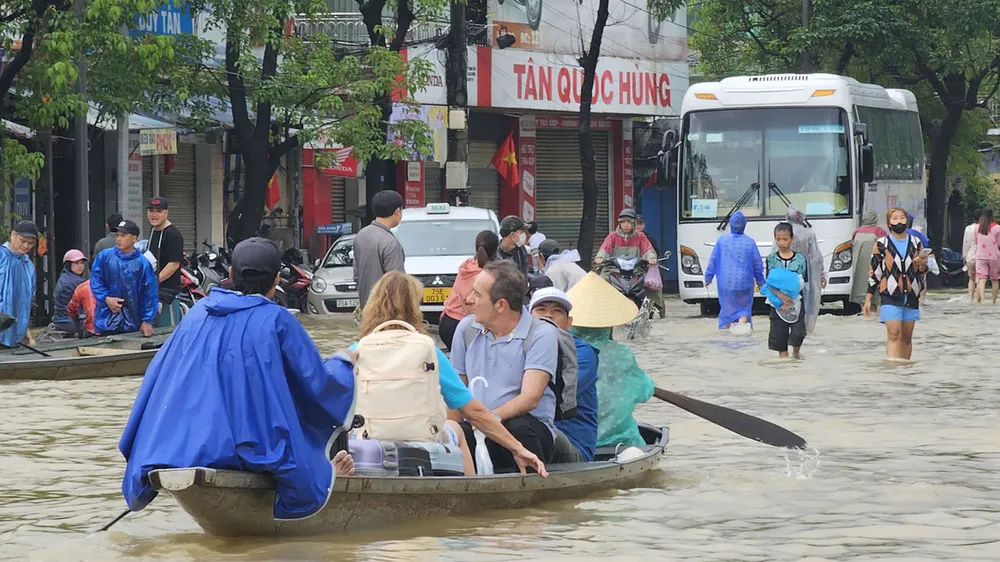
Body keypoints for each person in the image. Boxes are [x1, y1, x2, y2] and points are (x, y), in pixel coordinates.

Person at [119, 237, 357, 520]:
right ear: (277, 280)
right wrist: (344, 363)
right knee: (301, 460)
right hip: (251, 447)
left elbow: (158, 379)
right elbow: (317, 384)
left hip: (180, 447)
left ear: (231, 275)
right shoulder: (278, 320)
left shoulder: (196, 314)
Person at [354, 271, 547, 476]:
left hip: (368, 442)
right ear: (414, 308)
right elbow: (474, 412)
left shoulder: (356, 350)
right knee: (455, 428)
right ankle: (471, 495)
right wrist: (517, 448)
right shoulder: (428, 351)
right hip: (422, 442)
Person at [451, 261, 558, 472]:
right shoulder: (466, 329)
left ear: (501, 305)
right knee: (452, 433)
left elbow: (531, 398)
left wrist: (489, 419)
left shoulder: (541, 333)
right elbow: (456, 392)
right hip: (477, 423)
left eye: (477, 295)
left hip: (525, 427)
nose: (469, 300)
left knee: (518, 428)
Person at [567, 272, 654, 448]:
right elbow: (644, 390)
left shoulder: (562, 349)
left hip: (575, 438)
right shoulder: (621, 354)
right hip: (621, 438)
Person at [528, 288, 599, 463]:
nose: (548, 315)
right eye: (541, 310)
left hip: (572, 444)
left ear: (569, 322)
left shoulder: (581, 353)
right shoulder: (520, 347)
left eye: (557, 311)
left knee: (523, 425)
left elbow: (540, 396)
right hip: (528, 432)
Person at [864, 207, 929, 361]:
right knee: (894, 334)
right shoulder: (881, 244)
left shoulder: (916, 242)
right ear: (889, 223)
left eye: (902, 218)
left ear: (907, 221)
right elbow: (875, 272)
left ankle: (905, 368)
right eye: (895, 218)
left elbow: (923, 272)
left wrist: (920, 264)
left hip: (911, 295)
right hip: (890, 295)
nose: (899, 221)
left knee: (906, 337)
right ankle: (893, 368)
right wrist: (868, 298)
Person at [90, 219, 159, 337]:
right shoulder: (104, 257)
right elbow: (96, 281)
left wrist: (147, 320)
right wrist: (106, 298)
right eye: (117, 235)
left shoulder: (143, 264)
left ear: (134, 238)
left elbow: (149, 293)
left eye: (123, 235)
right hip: (106, 320)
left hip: (134, 322)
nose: (118, 239)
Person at [704, 211, 765, 332]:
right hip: (744, 282)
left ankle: (727, 333)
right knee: (744, 309)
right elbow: (757, 263)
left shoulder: (722, 241)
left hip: (726, 282)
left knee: (728, 309)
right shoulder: (749, 242)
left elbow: (713, 260)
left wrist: (708, 277)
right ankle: (742, 329)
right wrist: (761, 281)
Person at [440, 230, 499, 351]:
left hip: (447, 321)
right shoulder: (487, 275)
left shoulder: (467, 265)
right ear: (495, 249)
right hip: (465, 326)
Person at [763, 223, 809, 359]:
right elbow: (769, 282)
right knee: (779, 336)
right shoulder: (771, 259)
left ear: (792, 239)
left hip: (796, 301)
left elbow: (803, 280)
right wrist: (781, 298)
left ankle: (796, 354)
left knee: (798, 332)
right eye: (778, 239)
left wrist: (790, 299)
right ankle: (784, 362)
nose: (781, 242)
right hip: (776, 302)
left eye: (785, 239)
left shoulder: (800, 259)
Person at [353, 190, 405, 308]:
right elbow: (397, 284)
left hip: (366, 309)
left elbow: (356, 276)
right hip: (387, 311)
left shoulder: (360, 235)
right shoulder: (390, 242)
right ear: (397, 211)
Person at [779, 205, 826, 334]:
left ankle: (788, 331)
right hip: (805, 277)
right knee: (805, 305)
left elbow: (774, 255)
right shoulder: (808, 234)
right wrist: (822, 275)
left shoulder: (782, 232)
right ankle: (801, 334)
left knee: (786, 304)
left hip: (785, 276)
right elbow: (816, 257)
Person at [146, 197, 185, 328]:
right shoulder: (153, 232)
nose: (154, 215)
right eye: (151, 211)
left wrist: (153, 282)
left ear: (166, 213)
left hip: (167, 290)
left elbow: (173, 264)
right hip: (153, 287)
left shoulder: (173, 234)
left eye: (158, 211)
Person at [0, 220, 38, 348]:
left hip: (14, 335)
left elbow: (25, 303)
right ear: (13, 235)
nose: (26, 246)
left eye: (30, 243)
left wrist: (26, 329)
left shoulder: (29, 267)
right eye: (23, 241)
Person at [849, 210, 886, 311]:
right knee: (876, 290)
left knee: (861, 290)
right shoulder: (878, 230)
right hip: (875, 265)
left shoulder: (857, 231)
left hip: (859, 267)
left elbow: (852, 245)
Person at [635, 215, 666, 319]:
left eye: (640, 224)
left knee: (655, 292)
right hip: (632, 268)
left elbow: (655, 252)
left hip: (648, 268)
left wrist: (651, 259)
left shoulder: (649, 238)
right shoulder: (625, 238)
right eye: (636, 224)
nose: (638, 227)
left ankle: (661, 313)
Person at [51, 249, 87, 335]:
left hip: (60, 320)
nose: (80, 266)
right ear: (68, 265)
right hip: (70, 321)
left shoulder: (64, 277)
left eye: (81, 263)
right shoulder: (76, 282)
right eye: (76, 263)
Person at [973, 208, 1000, 304]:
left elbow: (976, 241)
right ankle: (993, 302)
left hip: (980, 255)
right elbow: (999, 243)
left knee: (981, 278)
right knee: (995, 279)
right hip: (994, 256)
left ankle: (982, 300)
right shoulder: (997, 228)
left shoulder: (977, 228)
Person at [963, 209, 983, 301]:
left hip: (970, 255)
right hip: (982, 256)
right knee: (980, 279)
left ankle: (970, 298)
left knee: (971, 278)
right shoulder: (985, 228)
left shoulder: (968, 228)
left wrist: (964, 256)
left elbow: (965, 243)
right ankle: (979, 300)